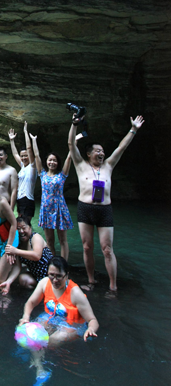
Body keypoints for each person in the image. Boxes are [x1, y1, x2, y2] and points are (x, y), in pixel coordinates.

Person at [68, 114, 145, 293]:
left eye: (102, 151)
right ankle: (91, 281)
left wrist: (133, 129)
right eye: (97, 151)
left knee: (107, 249)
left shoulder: (108, 166)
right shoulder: (81, 165)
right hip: (85, 209)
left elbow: (121, 148)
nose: (101, 153)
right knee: (87, 247)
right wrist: (74, 124)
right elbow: (71, 144)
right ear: (89, 154)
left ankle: (113, 286)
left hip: (104, 210)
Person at [19, 256, 99, 386]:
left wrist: (91, 329)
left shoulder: (76, 293)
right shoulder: (44, 283)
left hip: (72, 325)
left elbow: (92, 320)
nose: (55, 280)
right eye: (51, 275)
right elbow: (31, 302)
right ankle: (38, 365)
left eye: (59, 276)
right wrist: (25, 317)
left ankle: (39, 368)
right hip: (51, 318)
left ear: (67, 275)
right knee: (31, 333)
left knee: (51, 341)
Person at [30, 133, 74, 260]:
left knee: (63, 240)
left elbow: (69, 158)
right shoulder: (42, 174)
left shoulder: (62, 175)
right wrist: (34, 141)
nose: (52, 162)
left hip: (59, 209)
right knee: (49, 241)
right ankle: (52, 264)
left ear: (58, 163)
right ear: (46, 162)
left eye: (54, 160)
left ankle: (63, 265)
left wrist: (73, 143)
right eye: (50, 160)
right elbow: (36, 156)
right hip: (46, 210)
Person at [0, 216, 53, 294]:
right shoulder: (18, 244)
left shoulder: (35, 237)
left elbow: (37, 256)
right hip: (36, 276)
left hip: (50, 275)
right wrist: (8, 282)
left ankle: (46, 290)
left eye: (24, 228)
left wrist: (16, 251)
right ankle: (39, 291)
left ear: (30, 228)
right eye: (18, 229)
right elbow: (17, 267)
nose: (21, 231)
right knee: (23, 279)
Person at [8, 122, 38, 221]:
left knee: (25, 225)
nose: (24, 158)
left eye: (26, 156)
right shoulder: (22, 167)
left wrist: (25, 131)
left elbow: (29, 148)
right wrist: (12, 140)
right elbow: (15, 154)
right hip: (20, 199)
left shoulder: (33, 166)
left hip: (27, 200)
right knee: (21, 224)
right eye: (22, 156)